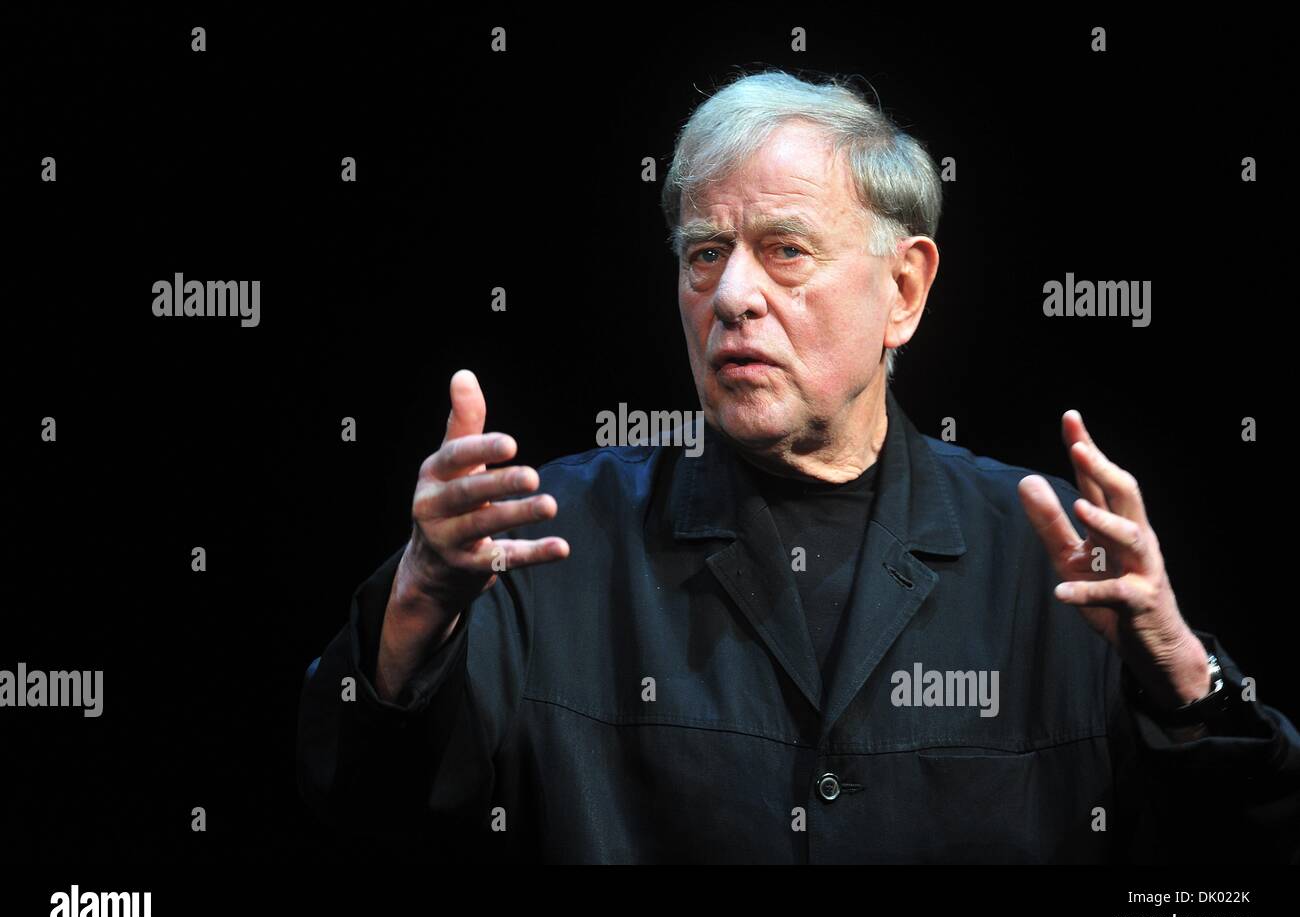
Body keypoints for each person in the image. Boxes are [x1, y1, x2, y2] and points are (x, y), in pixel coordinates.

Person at [296, 70, 1299, 863]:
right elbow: (358, 811)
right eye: (702, 254)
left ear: (902, 289)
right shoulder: (543, 534)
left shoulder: (1053, 559)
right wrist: (419, 602)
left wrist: (1181, 681)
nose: (731, 294)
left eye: (783, 250)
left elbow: (1239, 863)